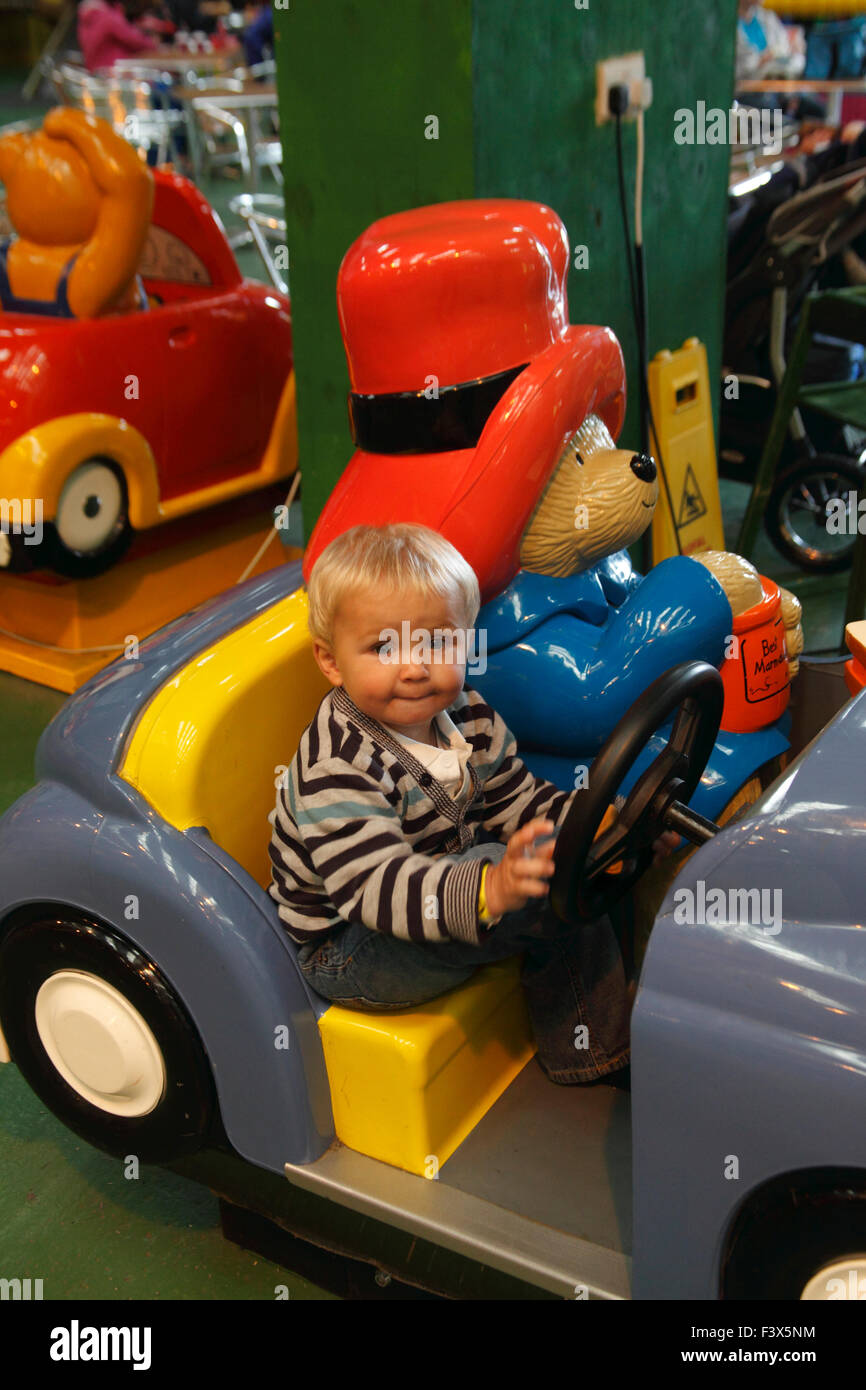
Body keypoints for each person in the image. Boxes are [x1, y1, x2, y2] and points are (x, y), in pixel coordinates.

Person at [268, 522, 677, 1087]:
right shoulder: (337, 765)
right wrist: (489, 890)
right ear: (331, 661)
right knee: (540, 893)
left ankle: (598, 1035)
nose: (415, 668)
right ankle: (594, 1054)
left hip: (441, 885)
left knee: (562, 865)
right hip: (350, 948)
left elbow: (520, 801)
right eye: (384, 647)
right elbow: (374, 888)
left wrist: (598, 825)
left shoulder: (468, 713)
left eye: (437, 642)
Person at [77, 0, 160, 73]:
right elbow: (136, 40)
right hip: (116, 77)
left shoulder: (85, 19)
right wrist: (153, 42)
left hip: (97, 77)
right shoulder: (108, 17)